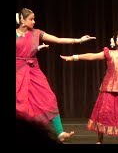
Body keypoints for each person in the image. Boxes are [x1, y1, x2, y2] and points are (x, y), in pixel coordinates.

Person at [16, 8, 96, 142]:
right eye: (31, 19)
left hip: (33, 70)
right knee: (21, 103)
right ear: (22, 21)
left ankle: (60, 132)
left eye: (34, 18)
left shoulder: (37, 33)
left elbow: (58, 39)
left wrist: (78, 40)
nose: (34, 21)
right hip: (18, 71)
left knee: (49, 97)